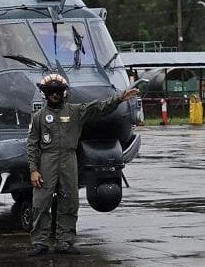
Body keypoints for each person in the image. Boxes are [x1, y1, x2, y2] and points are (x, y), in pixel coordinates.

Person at [25, 74, 139, 256]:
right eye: (50, 92)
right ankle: (40, 243)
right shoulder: (39, 117)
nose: (55, 94)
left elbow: (100, 107)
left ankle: (65, 241)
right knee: (41, 202)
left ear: (64, 93)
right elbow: (32, 145)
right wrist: (33, 170)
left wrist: (119, 98)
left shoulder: (75, 111)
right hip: (46, 160)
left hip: (69, 159)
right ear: (45, 94)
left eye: (58, 91)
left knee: (70, 201)